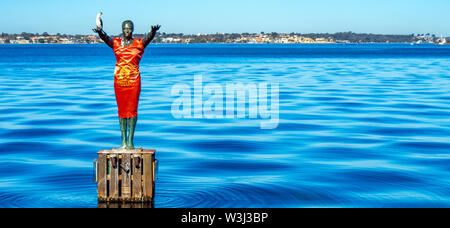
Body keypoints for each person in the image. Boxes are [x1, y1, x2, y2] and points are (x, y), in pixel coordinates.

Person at [93, 17, 161, 149]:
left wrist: (153, 32)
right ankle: (123, 140)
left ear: (133, 30)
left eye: (129, 28)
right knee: (122, 110)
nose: (127, 30)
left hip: (134, 81)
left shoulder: (138, 43)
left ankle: (130, 141)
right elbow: (106, 39)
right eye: (124, 28)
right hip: (119, 81)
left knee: (133, 110)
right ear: (121, 30)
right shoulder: (116, 43)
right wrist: (100, 32)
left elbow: (148, 39)